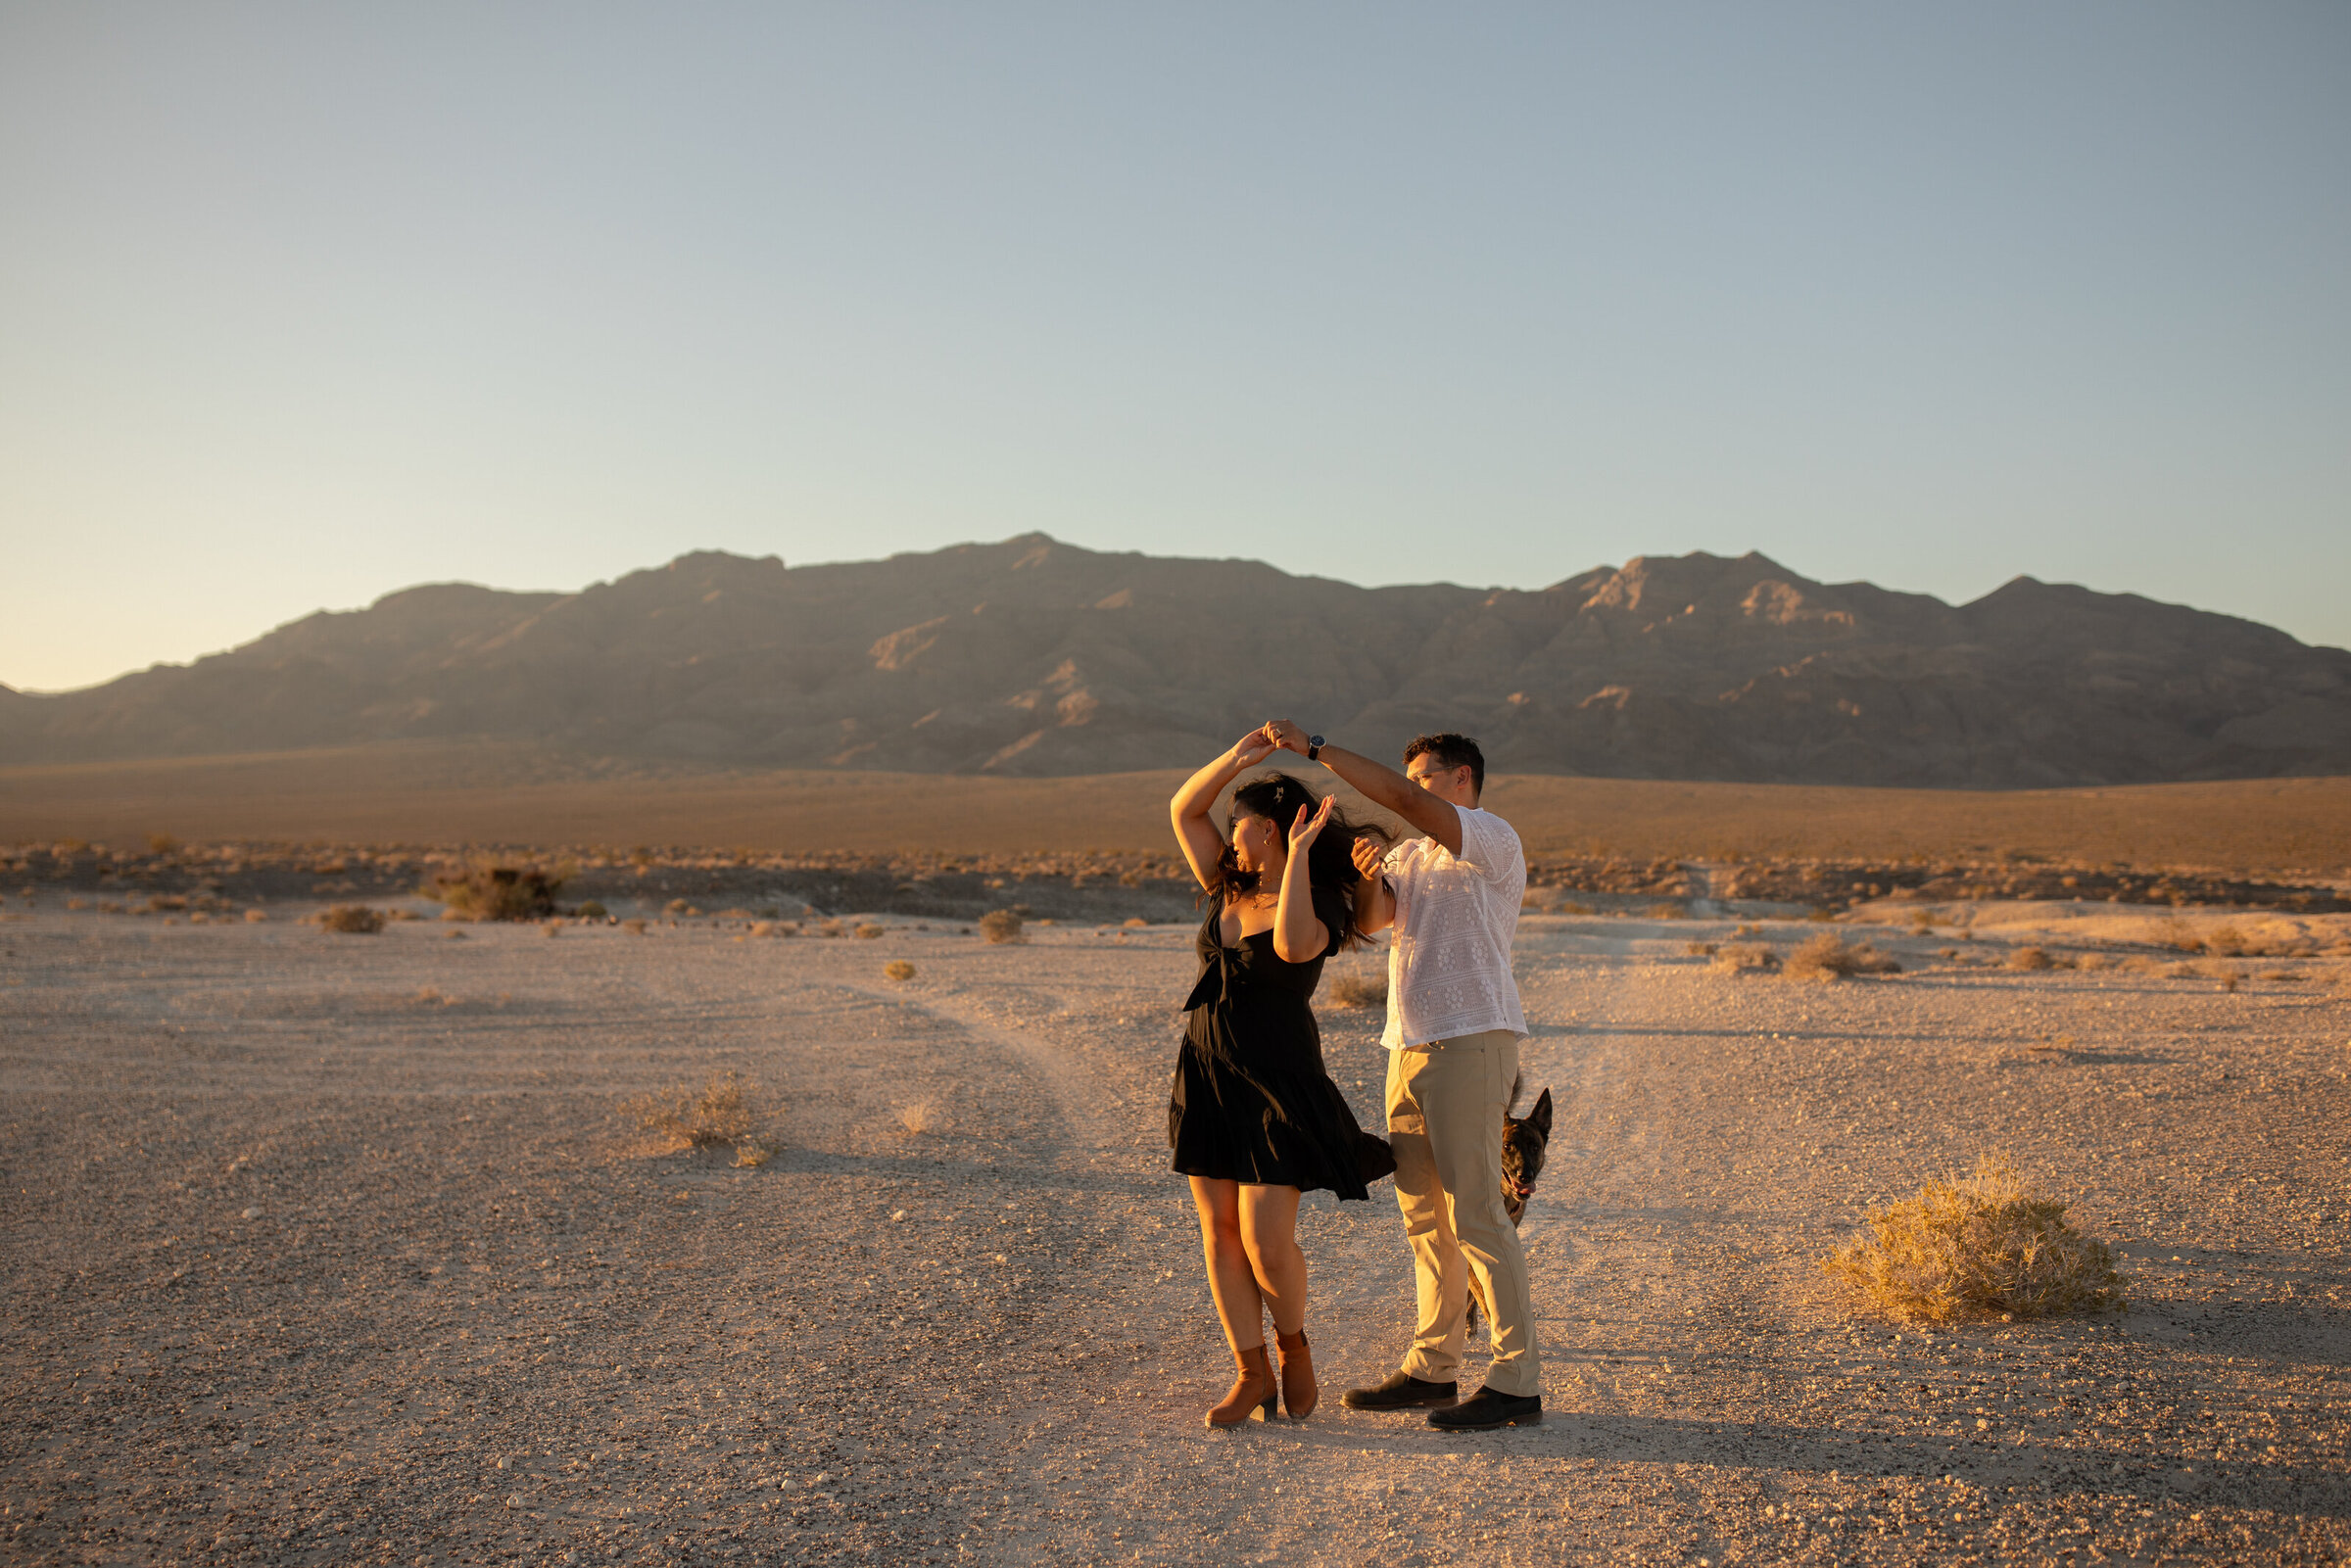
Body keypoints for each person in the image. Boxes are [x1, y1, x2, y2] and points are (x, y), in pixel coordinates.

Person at [1260, 721, 1543, 1431]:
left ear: (1461, 781)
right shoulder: (1411, 854)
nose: (1410, 792)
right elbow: (1377, 918)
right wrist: (1366, 871)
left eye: (1423, 779)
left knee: (1477, 1211)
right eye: (1410, 778)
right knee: (1424, 1218)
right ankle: (1433, 1368)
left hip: (1472, 1040)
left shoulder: (1491, 839)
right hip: (1409, 1045)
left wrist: (1316, 748)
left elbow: (1402, 801)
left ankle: (1516, 1379)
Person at [1167, 732, 1396, 1428]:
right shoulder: (1226, 885)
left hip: (1278, 1083)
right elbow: (1182, 810)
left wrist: (1299, 858)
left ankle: (1294, 1348)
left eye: (1238, 825)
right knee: (1219, 1234)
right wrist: (1238, 761)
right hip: (1206, 1074)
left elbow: (1295, 947)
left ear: (1267, 830)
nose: (1228, 837)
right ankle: (1250, 1370)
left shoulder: (1322, 894)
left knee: (1266, 1240)